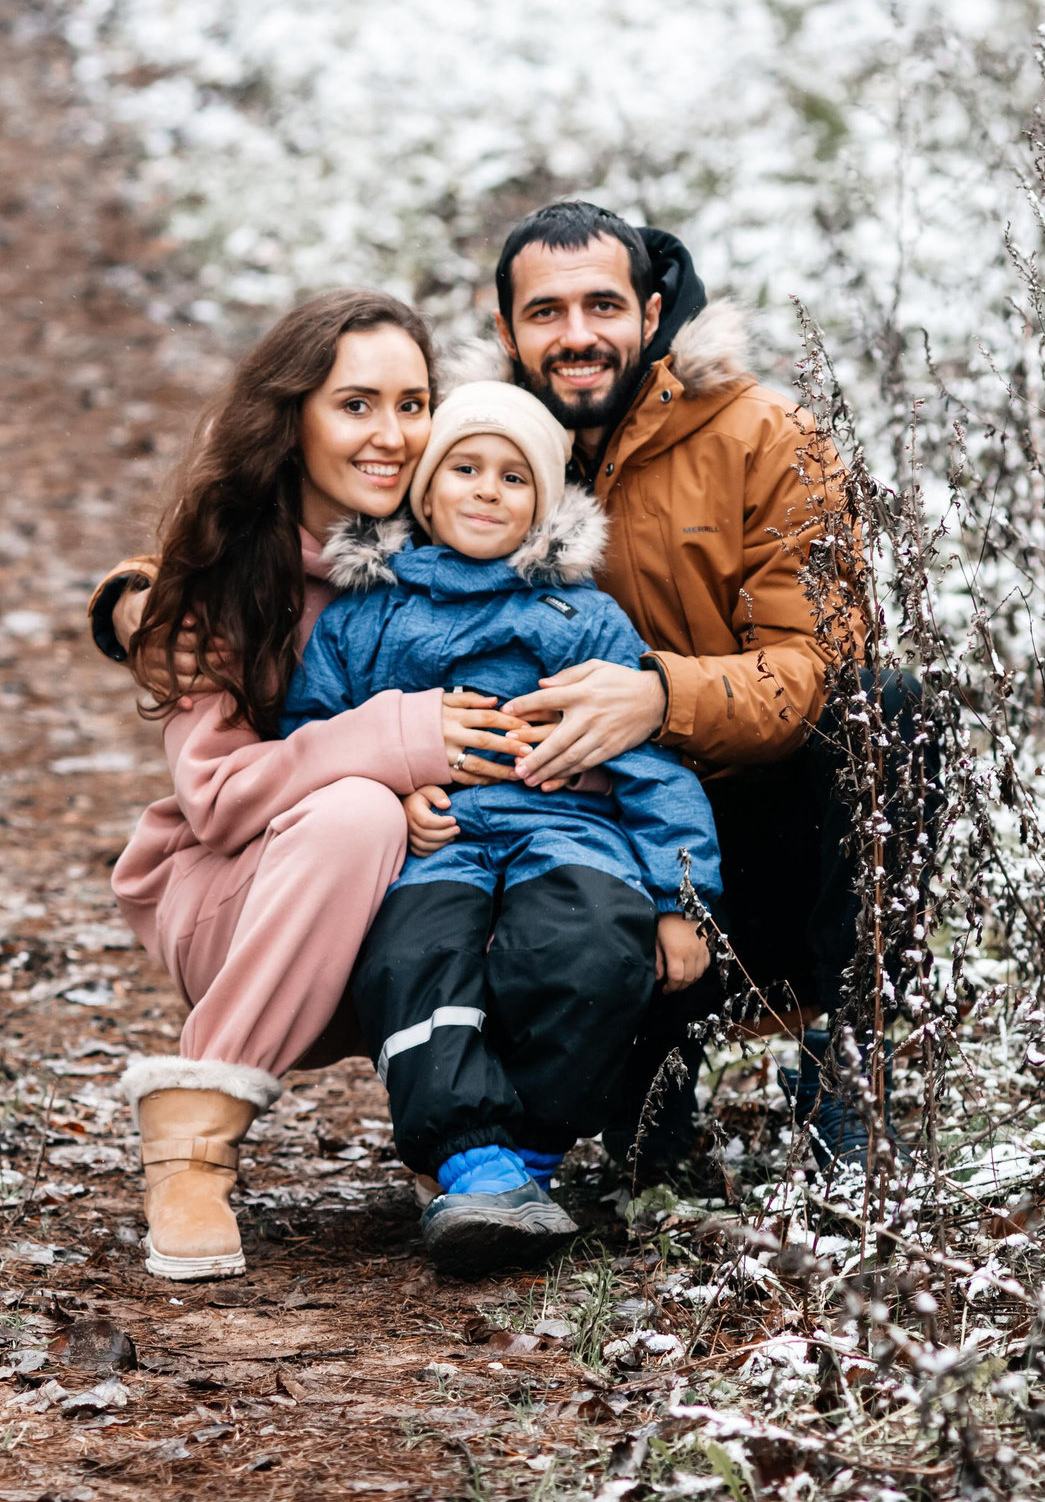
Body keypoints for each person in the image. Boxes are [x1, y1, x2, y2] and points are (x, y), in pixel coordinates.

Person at [434, 200, 912, 1175]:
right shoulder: (467, 457)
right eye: (547, 312)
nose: (577, 336)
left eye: (602, 306)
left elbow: (814, 665)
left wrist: (657, 697)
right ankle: (637, 1068)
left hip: (742, 826)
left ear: (652, 316)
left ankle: (849, 1065)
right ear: (506, 331)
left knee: (890, 715)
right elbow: (312, 555)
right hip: (557, 837)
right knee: (641, 1153)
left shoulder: (768, 438)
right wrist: (154, 604)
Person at [98, 289, 530, 1281]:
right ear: (291, 418)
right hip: (242, 903)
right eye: (356, 405)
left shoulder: (459, 543)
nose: (392, 436)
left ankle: (473, 1137)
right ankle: (191, 1139)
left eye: (413, 404)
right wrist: (390, 740)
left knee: (505, 844)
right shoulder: (217, 579)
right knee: (353, 810)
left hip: (408, 906)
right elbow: (217, 796)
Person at [282, 381, 720, 1272]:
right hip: (435, 845)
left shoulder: (579, 617)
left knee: (595, 946)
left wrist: (684, 898)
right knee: (412, 962)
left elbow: (651, 763)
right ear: (425, 490)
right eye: (465, 469)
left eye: (514, 478)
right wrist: (391, 788)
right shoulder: (363, 618)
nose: (487, 490)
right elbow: (311, 738)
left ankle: (521, 1164)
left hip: (568, 835)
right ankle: (471, 1158)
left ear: (546, 505)